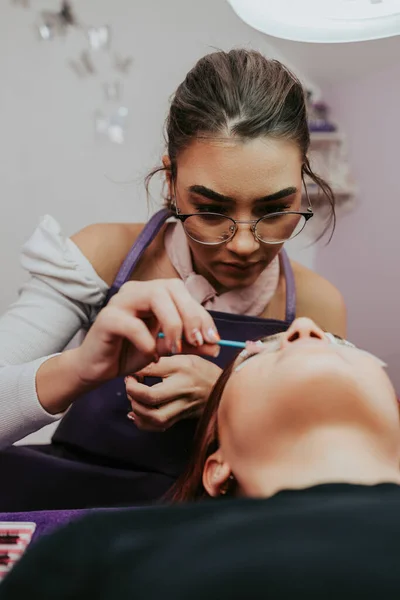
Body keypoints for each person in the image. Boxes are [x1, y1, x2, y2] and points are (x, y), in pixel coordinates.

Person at [0, 49, 346, 511]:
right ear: (170, 180)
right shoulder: (102, 255)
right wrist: (81, 368)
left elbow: (330, 466)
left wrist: (230, 403)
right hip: (73, 511)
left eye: (273, 209)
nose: (243, 244)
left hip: (213, 534)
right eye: (209, 209)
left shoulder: (315, 306)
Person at [1, 318, 399, 600]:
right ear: (217, 465)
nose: (307, 328)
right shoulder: (98, 551)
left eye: (341, 344)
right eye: (261, 354)